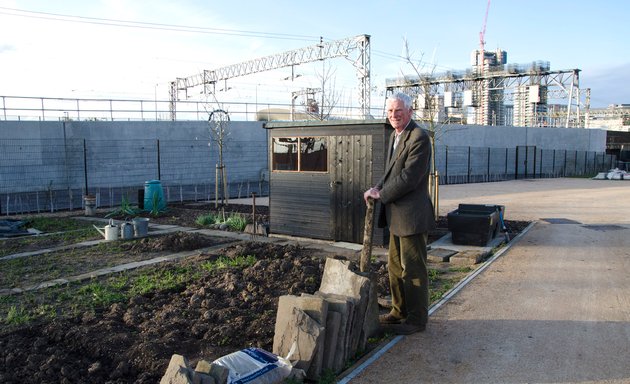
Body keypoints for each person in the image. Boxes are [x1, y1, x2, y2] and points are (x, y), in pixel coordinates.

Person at [364, 91, 435, 335]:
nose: (394, 115)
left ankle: (416, 320)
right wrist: (377, 188)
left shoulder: (419, 138)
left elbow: (409, 178)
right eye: (391, 111)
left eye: (398, 111)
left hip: (412, 217)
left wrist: (381, 195)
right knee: (395, 267)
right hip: (396, 216)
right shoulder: (396, 136)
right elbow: (392, 174)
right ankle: (399, 310)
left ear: (410, 112)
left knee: (414, 270)